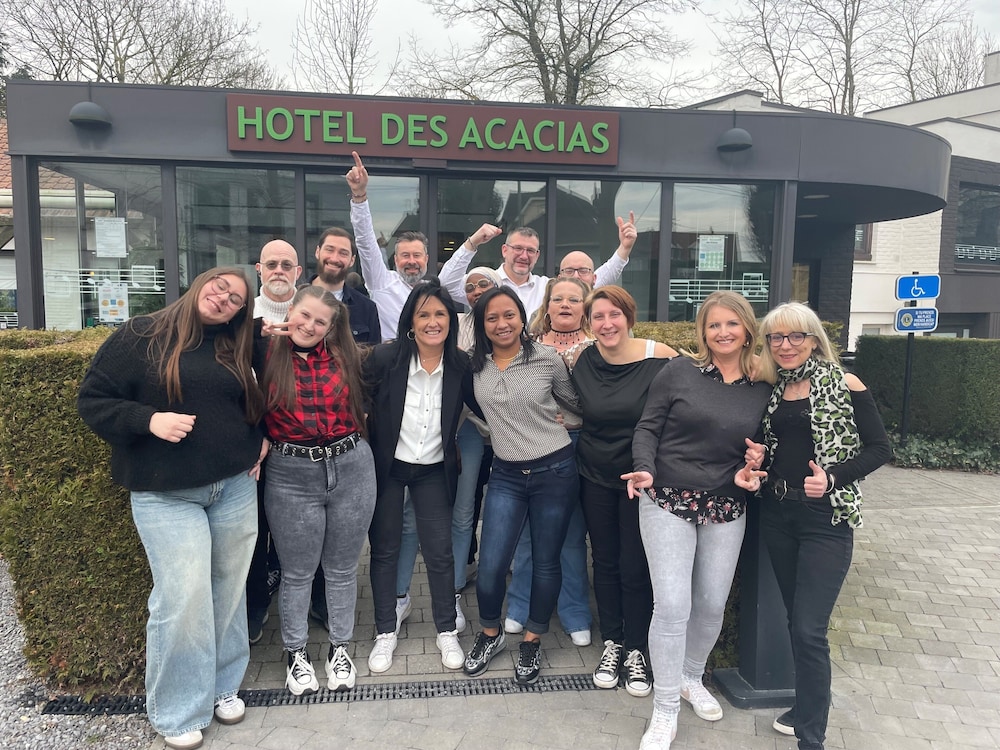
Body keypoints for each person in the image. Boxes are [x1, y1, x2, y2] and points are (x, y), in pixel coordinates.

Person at [77, 267, 268, 750]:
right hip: (165, 494)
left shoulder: (233, 344)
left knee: (229, 591)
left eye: (236, 299)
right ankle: (179, 709)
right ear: (201, 282)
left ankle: (222, 686)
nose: (224, 299)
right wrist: (149, 420)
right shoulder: (141, 335)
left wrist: (260, 438)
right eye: (220, 287)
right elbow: (93, 400)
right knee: (183, 597)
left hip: (233, 488)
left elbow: (253, 399)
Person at [735, 302, 891, 750]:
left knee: (808, 629)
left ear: (813, 339)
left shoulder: (845, 383)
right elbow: (777, 447)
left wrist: (834, 477)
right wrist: (758, 458)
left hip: (827, 519)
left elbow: (880, 448)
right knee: (796, 620)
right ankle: (805, 708)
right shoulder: (777, 389)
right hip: (779, 514)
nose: (785, 345)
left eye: (795, 336)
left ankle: (811, 738)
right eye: (776, 338)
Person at [622, 291, 771, 749]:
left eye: (731, 323)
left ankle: (690, 678)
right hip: (667, 495)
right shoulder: (679, 371)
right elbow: (647, 427)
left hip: (726, 502)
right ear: (703, 332)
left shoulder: (764, 384)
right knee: (671, 606)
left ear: (747, 329)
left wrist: (758, 462)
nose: (723, 332)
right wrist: (644, 467)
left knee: (710, 605)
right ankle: (665, 708)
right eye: (713, 325)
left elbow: (768, 445)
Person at [258, 285, 376, 696]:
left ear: (330, 328)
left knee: (342, 570)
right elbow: (220, 332)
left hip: (351, 467)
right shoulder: (263, 353)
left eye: (320, 322)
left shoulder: (348, 358)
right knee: (297, 572)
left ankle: (339, 648)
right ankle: (296, 653)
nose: (309, 326)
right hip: (291, 474)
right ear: (289, 310)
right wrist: (259, 329)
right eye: (304, 315)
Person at [463, 286, 580, 685]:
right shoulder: (472, 365)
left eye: (509, 315)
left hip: (555, 471)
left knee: (546, 561)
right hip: (506, 475)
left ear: (522, 317)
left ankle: (532, 639)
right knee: (492, 565)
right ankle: (490, 634)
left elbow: (577, 403)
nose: (502, 324)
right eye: (492, 317)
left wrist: (568, 420)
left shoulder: (546, 358)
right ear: (482, 324)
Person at [567, 285, 676, 699]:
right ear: (588, 323)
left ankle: (636, 649)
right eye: (598, 317)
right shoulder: (583, 359)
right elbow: (570, 404)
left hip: (641, 480)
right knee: (606, 561)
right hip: (594, 474)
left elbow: (696, 396)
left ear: (629, 317)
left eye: (614, 314)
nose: (607, 323)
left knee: (635, 565)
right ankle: (612, 643)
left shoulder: (659, 357)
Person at [364, 279, 471, 674]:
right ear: (410, 320)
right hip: (389, 469)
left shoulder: (461, 365)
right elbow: (354, 396)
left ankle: (446, 629)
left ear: (451, 320)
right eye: (423, 314)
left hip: (433, 470)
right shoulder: (384, 358)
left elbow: (492, 402)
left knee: (440, 551)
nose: (432, 322)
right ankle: (384, 631)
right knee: (385, 549)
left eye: (440, 314)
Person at [505, 276, 594, 646]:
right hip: (535, 446)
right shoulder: (528, 347)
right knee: (528, 532)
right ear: (547, 305)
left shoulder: (598, 346)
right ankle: (520, 606)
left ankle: (575, 611)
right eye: (558, 299)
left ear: (585, 307)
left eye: (574, 299)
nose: (565, 305)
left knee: (571, 533)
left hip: (579, 444)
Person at [346, 150, 500, 339]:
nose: (412, 261)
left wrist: (472, 242)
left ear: (426, 259)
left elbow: (449, 279)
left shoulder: (433, 290)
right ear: (395, 260)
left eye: (417, 255)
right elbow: (366, 243)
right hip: (392, 357)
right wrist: (359, 196)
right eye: (405, 256)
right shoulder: (382, 282)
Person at [247, 239, 303, 645]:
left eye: (286, 264)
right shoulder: (242, 316)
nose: (279, 271)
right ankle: (254, 607)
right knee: (254, 532)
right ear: (259, 270)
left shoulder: (312, 313)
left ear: (298, 272)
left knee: (302, 531)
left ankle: (309, 602)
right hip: (254, 445)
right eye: (272, 264)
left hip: (302, 442)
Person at [446, 210, 641, 316]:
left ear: (537, 255)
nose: (524, 255)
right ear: (505, 250)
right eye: (518, 248)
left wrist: (624, 249)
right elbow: (447, 285)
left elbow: (589, 281)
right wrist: (472, 243)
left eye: (530, 250)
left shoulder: (548, 287)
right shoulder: (483, 284)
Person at [310, 226, 381, 344]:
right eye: (329, 250)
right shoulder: (295, 298)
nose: (334, 258)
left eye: (343, 253)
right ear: (318, 252)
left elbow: (373, 353)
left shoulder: (367, 308)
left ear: (352, 260)